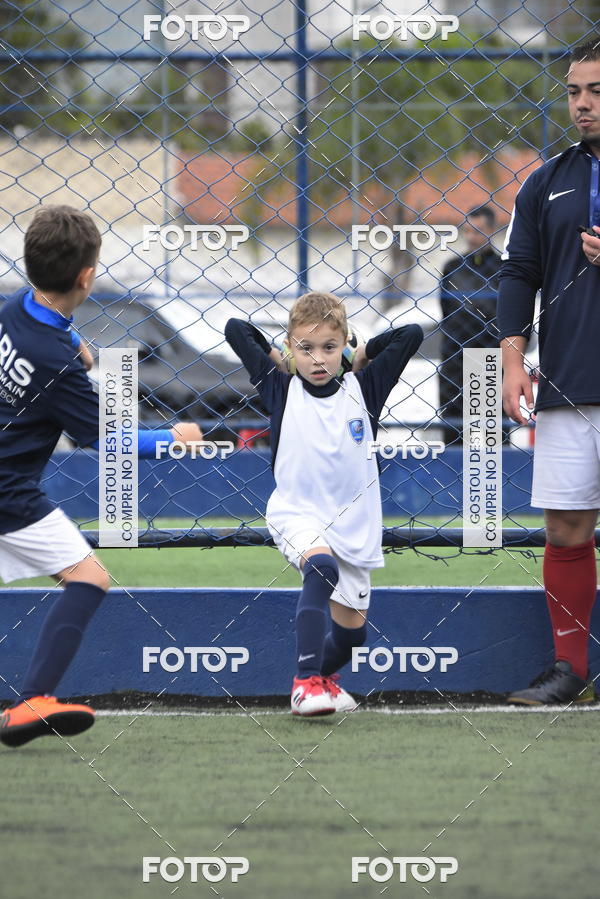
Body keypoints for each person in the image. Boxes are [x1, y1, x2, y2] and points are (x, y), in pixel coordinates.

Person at [0, 205, 201, 747]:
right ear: (87, 277)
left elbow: (46, 330)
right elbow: (103, 439)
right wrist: (172, 440)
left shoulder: (16, 305)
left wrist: (73, 343)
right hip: (8, 493)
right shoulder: (53, 362)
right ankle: (33, 701)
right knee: (88, 578)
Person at [225, 293, 422, 716]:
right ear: (293, 348)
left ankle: (326, 680)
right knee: (321, 568)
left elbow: (411, 335)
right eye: (306, 348)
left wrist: (360, 354)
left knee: (352, 636)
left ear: (343, 345)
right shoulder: (280, 388)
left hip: (354, 523)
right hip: (297, 511)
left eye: (329, 348)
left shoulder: (364, 388)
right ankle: (305, 684)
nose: (318, 359)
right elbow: (236, 330)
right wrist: (279, 358)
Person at [499, 36, 600, 705]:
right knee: (566, 527)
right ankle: (571, 669)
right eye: (574, 91)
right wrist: (512, 356)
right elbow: (519, 271)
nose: (583, 104)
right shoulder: (547, 178)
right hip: (569, 380)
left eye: (596, 91)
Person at [439, 206, 501, 445]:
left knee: (490, 440)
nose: (472, 236)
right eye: (468, 230)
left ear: (491, 230)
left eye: (479, 230)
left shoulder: (503, 268)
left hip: (489, 358)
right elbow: (445, 311)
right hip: (455, 359)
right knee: (453, 434)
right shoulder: (452, 268)